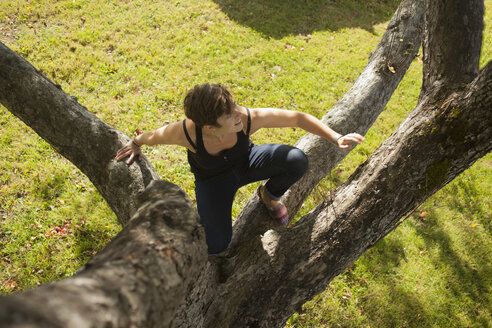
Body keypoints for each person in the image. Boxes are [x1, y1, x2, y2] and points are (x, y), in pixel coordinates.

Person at [115, 84, 364, 254]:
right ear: (209, 127)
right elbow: (152, 136)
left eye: (234, 107)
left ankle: (270, 196)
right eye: (228, 116)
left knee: (296, 160)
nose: (238, 115)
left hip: (248, 162)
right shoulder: (186, 134)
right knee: (216, 244)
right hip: (213, 183)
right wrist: (136, 144)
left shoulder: (246, 119)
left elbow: (297, 118)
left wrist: (335, 137)